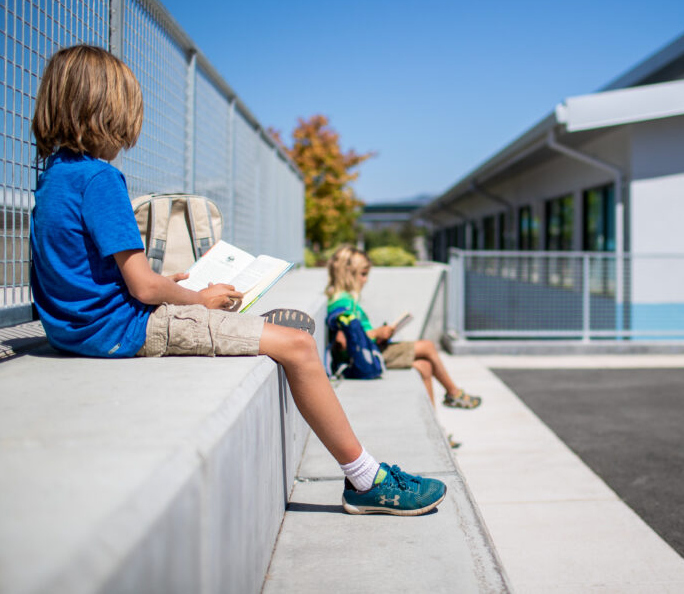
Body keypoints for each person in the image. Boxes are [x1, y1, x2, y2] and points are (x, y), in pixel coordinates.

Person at [29, 44, 443, 516]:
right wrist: (195, 297)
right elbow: (143, 288)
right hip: (121, 330)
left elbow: (90, 271)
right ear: (108, 111)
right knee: (299, 345)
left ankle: (256, 326)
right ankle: (365, 480)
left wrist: (171, 287)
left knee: (270, 327)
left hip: (75, 330)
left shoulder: (54, 177)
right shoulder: (100, 179)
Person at [325, 245, 481, 409]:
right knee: (427, 347)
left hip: (370, 351)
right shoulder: (344, 303)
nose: (365, 280)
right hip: (366, 356)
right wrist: (377, 333)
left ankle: (434, 418)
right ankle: (453, 393)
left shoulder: (341, 299)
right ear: (348, 274)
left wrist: (380, 334)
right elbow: (343, 342)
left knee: (425, 366)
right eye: (363, 274)